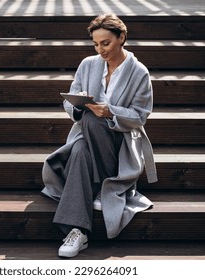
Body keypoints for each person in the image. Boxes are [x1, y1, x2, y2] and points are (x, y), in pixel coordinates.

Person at [41, 14, 158, 258]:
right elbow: (69, 101)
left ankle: (82, 214)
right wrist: (77, 104)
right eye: (96, 44)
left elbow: (140, 116)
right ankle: (77, 231)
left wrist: (110, 112)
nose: (100, 49)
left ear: (121, 38)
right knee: (80, 150)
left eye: (105, 43)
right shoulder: (88, 64)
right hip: (87, 137)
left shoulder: (139, 72)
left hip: (120, 141)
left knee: (93, 122)